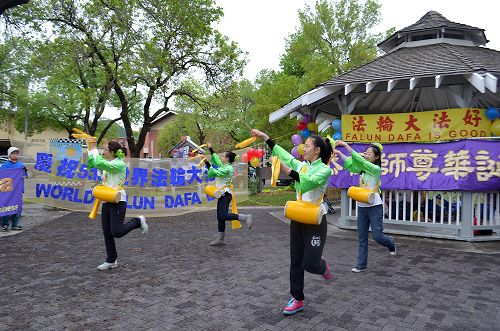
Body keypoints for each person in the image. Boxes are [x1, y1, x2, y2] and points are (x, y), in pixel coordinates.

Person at [251, 129, 333, 316]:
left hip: (315, 220)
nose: (304, 147)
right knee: (296, 261)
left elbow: (308, 183)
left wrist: (286, 170)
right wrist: (266, 138)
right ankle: (297, 298)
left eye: (308, 145)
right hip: (297, 218)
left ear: (317, 150)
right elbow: (285, 155)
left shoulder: (324, 169)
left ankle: (322, 267)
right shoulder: (302, 165)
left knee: (310, 263)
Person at [86, 139, 149, 270]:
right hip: (107, 200)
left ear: (113, 152)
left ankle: (138, 221)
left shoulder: (119, 164)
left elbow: (97, 161)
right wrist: (89, 147)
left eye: (105, 150)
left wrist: (92, 147)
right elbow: (93, 163)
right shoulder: (108, 163)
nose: (103, 152)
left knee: (117, 232)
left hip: (118, 201)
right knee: (107, 233)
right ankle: (111, 260)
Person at [334, 140, 396, 273]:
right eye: (366, 153)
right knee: (362, 237)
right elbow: (351, 164)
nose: (366, 155)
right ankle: (361, 264)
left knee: (378, 236)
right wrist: (339, 153)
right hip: (362, 206)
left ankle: (390, 242)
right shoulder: (362, 169)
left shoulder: (375, 169)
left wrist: (345, 146)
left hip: (375, 206)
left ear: (377, 157)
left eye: (369, 154)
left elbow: (360, 161)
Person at [204, 143, 252, 246]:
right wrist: (210, 148)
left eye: (223, 156)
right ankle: (220, 239)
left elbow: (216, 172)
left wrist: (206, 163)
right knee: (220, 217)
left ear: (227, 158)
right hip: (222, 194)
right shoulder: (225, 165)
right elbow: (216, 160)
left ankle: (245, 217)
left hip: (225, 194)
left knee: (223, 215)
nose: (221, 157)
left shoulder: (228, 168)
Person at [1, 147, 26, 232]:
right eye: (13, 153)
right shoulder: (4, 165)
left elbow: (24, 176)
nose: (15, 155)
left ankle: (15, 224)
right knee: (6, 206)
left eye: (16, 153)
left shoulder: (21, 165)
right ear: (9, 154)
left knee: (16, 207)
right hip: (7, 190)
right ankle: (4, 225)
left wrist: (22, 188)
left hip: (17, 190)